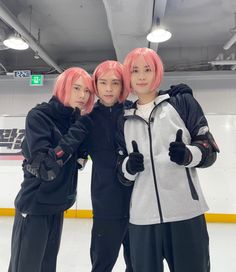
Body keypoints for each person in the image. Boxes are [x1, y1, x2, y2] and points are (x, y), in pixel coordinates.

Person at [116, 47, 220, 272]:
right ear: (128, 75)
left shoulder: (181, 103)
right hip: (142, 219)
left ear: (157, 72)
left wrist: (189, 154)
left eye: (147, 69)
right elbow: (119, 170)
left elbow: (209, 147)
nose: (141, 76)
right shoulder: (122, 119)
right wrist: (128, 167)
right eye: (135, 70)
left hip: (185, 212)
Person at [8, 67, 94, 272]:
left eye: (87, 91)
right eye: (76, 88)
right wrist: (77, 133)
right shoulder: (39, 116)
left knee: (47, 267)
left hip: (57, 206)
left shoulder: (74, 120)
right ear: (63, 87)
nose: (82, 95)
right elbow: (46, 168)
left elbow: (77, 163)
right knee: (26, 267)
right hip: (35, 206)